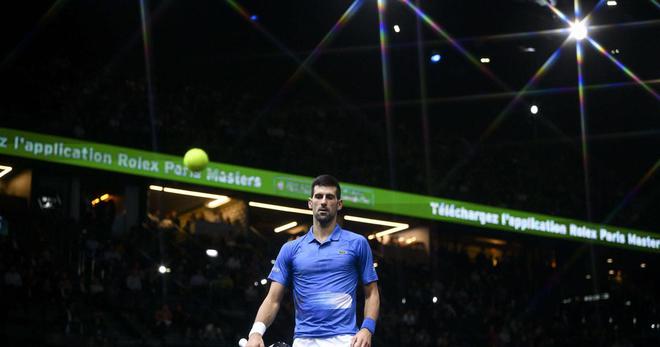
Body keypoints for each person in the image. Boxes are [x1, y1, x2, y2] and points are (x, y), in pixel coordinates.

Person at [246, 175, 380, 347]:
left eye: (329, 197)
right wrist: (256, 332)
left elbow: (372, 293)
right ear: (310, 203)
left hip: (346, 339)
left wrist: (367, 329)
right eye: (319, 196)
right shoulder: (290, 249)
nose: (323, 202)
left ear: (339, 204)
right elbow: (273, 299)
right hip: (304, 340)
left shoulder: (357, 243)